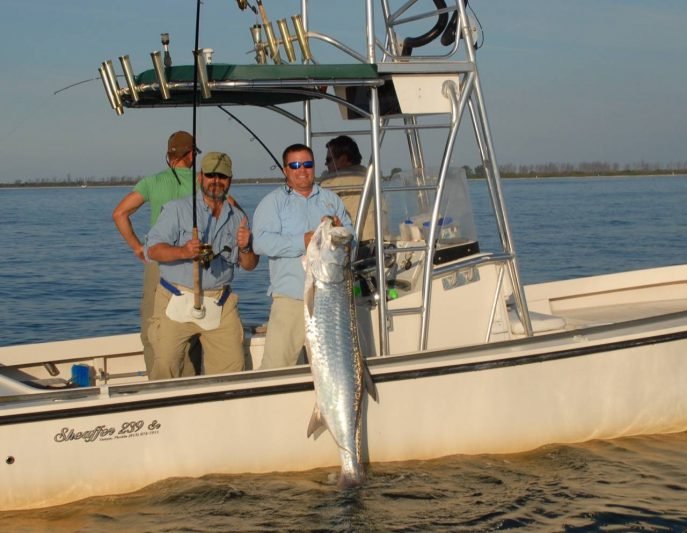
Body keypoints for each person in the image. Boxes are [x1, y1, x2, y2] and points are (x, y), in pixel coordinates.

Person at [146, 152, 259, 379]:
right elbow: (153, 250)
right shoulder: (177, 209)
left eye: (222, 176)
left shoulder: (238, 217)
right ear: (200, 177)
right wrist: (183, 251)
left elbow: (249, 265)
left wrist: (246, 246)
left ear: (230, 180)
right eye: (211, 175)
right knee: (166, 366)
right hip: (176, 299)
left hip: (220, 303)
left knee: (233, 372)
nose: (216, 181)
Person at [253, 143, 353, 369]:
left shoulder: (331, 200)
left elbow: (351, 236)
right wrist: (302, 241)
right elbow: (260, 243)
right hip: (290, 299)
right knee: (275, 368)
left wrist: (339, 233)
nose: (302, 170)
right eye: (295, 165)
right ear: (285, 170)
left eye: (307, 164)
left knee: (330, 368)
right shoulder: (272, 203)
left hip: (330, 299)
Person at [112, 131, 201, 377]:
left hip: (159, 261)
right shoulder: (202, 181)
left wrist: (138, 247)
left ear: (169, 154)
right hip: (193, 261)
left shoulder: (151, 182)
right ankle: (193, 380)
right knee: (193, 325)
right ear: (190, 154)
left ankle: (157, 381)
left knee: (154, 326)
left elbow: (119, 214)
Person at [320, 135, 377, 241]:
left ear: (343, 159)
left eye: (328, 160)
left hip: (358, 244)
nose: (326, 164)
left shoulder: (338, 180)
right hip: (377, 239)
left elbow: (316, 190)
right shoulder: (368, 175)